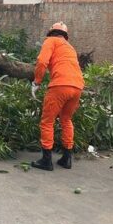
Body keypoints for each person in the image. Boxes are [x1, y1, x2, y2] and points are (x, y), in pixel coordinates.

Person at [30, 22, 85, 171]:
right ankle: (67, 159)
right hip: (78, 86)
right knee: (66, 120)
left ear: (51, 32)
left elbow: (42, 62)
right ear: (65, 36)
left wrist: (37, 81)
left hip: (60, 85)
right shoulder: (70, 47)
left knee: (47, 121)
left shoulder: (50, 41)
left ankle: (46, 160)